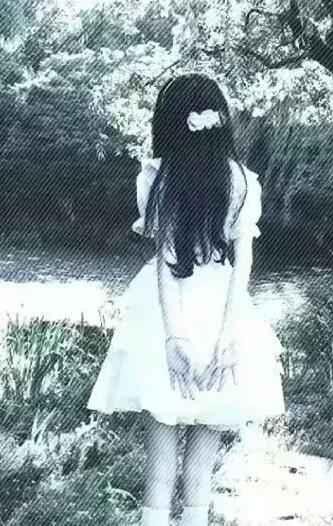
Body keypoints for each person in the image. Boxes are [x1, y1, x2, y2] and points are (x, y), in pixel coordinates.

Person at [87, 73, 286, 526]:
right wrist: (230, 335)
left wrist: (174, 337)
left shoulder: (158, 177)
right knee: (199, 473)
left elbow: (165, 263)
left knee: (159, 471)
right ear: (221, 122)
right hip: (221, 311)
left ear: (169, 123)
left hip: (166, 313)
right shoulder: (242, 181)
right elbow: (243, 265)